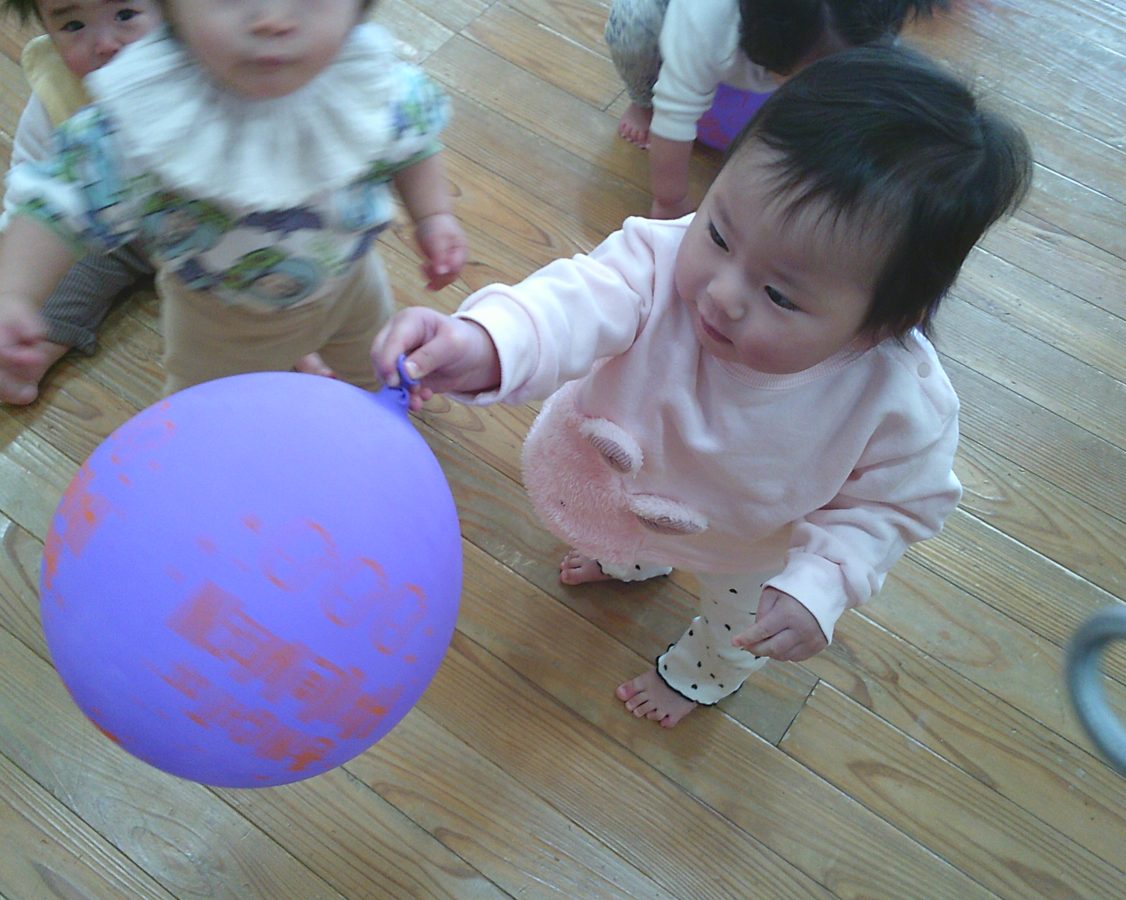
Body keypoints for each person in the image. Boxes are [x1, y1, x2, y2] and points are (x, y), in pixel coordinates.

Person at [372, 45, 1032, 727]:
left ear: (881, 323)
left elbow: (892, 506)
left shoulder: (897, 401)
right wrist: (486, 343)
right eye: (718, 233)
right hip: (626, 490)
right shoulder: (659, 261)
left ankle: (699, 677)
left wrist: (821, 583)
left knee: (735, 628)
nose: (721, 293)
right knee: (621, 529)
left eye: (779, 294)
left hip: (749, 548)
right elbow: (575, 301)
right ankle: (632, 563)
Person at [0, 0, 466, 399]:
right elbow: (57, 201)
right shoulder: (148, 116)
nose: (272, 20)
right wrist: (14, 293)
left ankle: (369, 420)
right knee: (209, 413)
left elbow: (413, 141)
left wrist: (433, 215)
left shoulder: (369, 81)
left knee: (373, 372)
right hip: (221, 322)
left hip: (353, 286)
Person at [605, 0, 943, 218]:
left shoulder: (868, 22)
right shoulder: (706, 23)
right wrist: (670, 201)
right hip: (669, 19)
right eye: (808, 74)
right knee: (633, 25)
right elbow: (675, 114)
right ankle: (641, 101)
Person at [0, 0, 163, 404]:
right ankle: (21, 361)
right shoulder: (62, 89)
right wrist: (15, 295)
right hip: (116, 230)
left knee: (276, 298)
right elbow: (37, 183)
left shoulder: (214, 60)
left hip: (220, 230)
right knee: (45, 292)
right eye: (74, 26)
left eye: (125, 15)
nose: (105, 44)